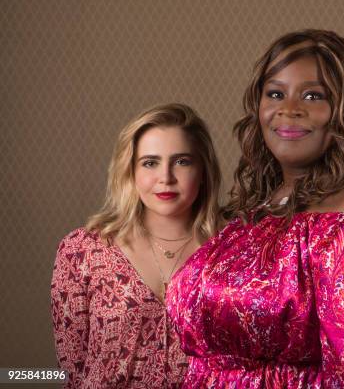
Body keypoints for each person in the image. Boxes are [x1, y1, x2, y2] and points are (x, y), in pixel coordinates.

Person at [167, 29, 344, 388]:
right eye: (275, 93)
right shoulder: (254, 211)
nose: (289, 109)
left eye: (312, 95)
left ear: (343, 112)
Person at [51, 103, 221, 388]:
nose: (165, 178)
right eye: (150, 162)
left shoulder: (235, 250)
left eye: (182, 161)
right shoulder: (82, 251)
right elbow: (73, 369)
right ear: (130, 170)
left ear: (203, 170)